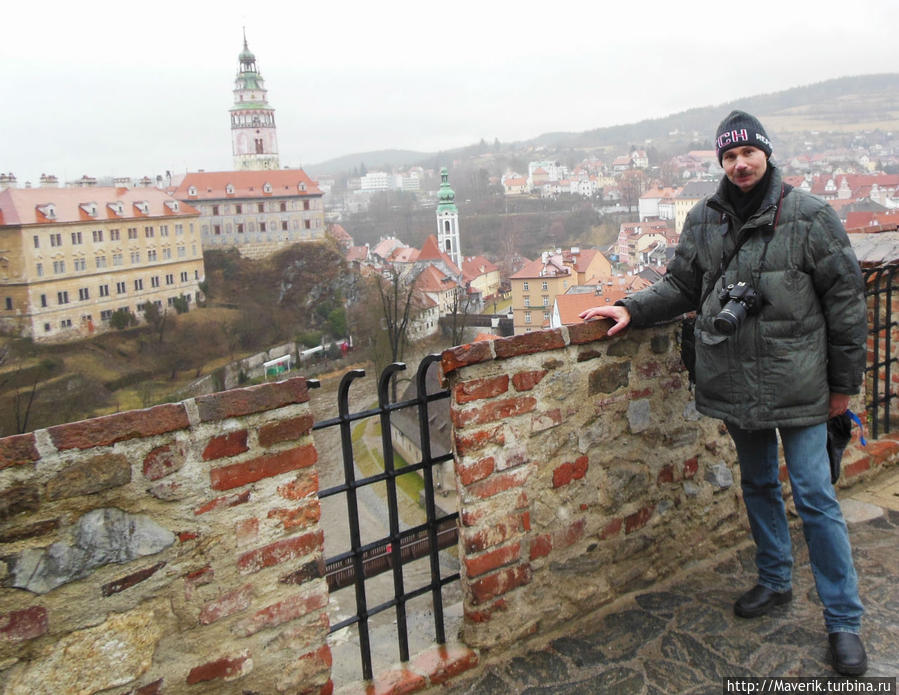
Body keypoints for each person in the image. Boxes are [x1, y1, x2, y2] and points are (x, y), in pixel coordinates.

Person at [581, 110, 868, 676]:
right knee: (758, 484)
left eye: (748, 153)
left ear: (765, 154)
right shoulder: (703, 219)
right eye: (729, 156)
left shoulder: (810, 216)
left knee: (815, 496)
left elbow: (847, 305)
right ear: (721, 162)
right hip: (737, 379)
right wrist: (630, 308)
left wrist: (844, 387)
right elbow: (683, 284)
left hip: (803, 383)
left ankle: (844, 621)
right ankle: (775, 580)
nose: (739, 164)